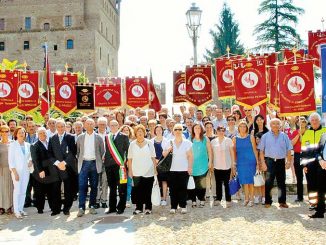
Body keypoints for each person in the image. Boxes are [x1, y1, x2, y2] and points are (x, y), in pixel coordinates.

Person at [258, 118, 292, 208]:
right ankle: (268, 201)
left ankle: (282, 202)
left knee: (281, 182)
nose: (276, 125)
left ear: (280, 125)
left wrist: (288, 161)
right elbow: (261, 151)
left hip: (281, 161)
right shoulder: (265, 136)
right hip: (269, 161)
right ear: (270, 125)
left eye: (278, 123)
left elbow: (289, 150)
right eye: (274, 123)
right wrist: (263, 163)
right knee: (269, 182)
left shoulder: (284, 136)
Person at [48, 119, 78, 216]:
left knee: (68, 189)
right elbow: (49, 153)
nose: (60, 128)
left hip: (67, 167)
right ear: (56, 127)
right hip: (56, 168)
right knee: (55, 189)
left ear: (65, 127)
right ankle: (56, 209)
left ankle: (66, 208)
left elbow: (73, 152)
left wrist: (64, 163)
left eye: (62, 126)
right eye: (58, 127)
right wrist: (57, 163)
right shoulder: (52, 138)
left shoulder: (71, 137)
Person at [76, 119, 105, 217]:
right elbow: (78, 152)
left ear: (94, 125)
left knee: (94, 186)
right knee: (82, 186)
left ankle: (92, 205)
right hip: (83, 164)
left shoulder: (99, 138)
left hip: (94, 164)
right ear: (84, 125)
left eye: (91, 123)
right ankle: (81, 208)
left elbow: (102, 151)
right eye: (87, 123)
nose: (89, 125)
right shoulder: (80, 137)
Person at [163, 124, 193, 214]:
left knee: (183, 188)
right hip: (172, 169)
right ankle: (173, 206)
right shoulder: (169, 142)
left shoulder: (187, 142)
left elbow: (190, 156)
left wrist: (190, 167)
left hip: (184, 169)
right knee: (173, 189)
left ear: (182, 130)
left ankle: (183, 206)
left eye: (180, 129)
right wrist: (169, 149)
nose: (178, 131)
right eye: (176, 129)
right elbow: (164, 154)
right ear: (173, 131)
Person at [31, 127, 61, 215]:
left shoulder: (50, 143)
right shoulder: (34, 145)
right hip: (41, 171)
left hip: (52, 171)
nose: (43, 135)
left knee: (52, 190)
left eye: (44, 133)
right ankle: (40, 208)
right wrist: (40, 170)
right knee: (40, 191)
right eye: (40, 133)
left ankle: (54, 208)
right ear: (37, 134)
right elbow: (35, 160)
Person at [128, 125, 157, 215]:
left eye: (141, 131)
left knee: (148, 190)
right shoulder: (132, 144)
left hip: (149, 170)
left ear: (144, 133)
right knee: (137, 190)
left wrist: (155, 170)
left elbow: (153, 157)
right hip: (136, 171)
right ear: (135, 133)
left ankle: (148, 208)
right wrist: (130, 171)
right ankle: (138, 208)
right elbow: (129, 159)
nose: (140, 133)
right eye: (138, 131)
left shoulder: (149, 143)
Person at [300, 113, 326, 210]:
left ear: (319, 121)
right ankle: (313, 203)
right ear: (310, 122)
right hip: (310, 163)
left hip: (322, 162)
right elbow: (303, 150)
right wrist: (304, 165)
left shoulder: (325, 131)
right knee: (311, 183)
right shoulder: (306, 133)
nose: (314, 122)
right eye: (312, 120)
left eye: (316, 120)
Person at [104, 120, 130, 215]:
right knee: (112, 187)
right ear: (109, 126)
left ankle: (121, 207)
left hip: (120, 166)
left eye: (115, 125)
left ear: (118, 126)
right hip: (109, 166)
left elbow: (128, 151)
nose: (113, 126)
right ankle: (112, 207)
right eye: (111, 125)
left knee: (122, 187)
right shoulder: (107, 137)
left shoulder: (124, 136)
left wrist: (126, 163)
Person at [234, 121, 259, 207]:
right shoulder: (235, 138)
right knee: (244, 181)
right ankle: (246, 198)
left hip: (251, 161)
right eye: (241, 126)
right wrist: (234, 163)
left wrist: (258, 162)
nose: (243, 128)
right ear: (238, 128)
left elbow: (255, 150)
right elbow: (234, 152)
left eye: (244, 126)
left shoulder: (251, 137)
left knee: (251, 181)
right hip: (241, 162)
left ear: (247, 128)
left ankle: (252, 199)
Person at [8, 127, 32, 219]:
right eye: (19, 133)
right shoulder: (13, 145)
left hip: (26, 171)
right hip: (16, 171)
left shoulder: (28, 145)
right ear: (16, 134)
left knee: (23, 191)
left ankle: (21, 209)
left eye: (23, 132)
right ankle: (16, 211)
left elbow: (30, 157)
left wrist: (31, 161)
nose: (22, 134)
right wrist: (14, 172)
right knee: (17, 190)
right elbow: (11, 160)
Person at [189, 123, 212, 208]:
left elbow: (209, 151)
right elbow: (187, 153)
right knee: (193, 184)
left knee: (201, 184)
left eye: (199, 128)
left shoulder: (205, 139)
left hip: (203, 165)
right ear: (193, 130)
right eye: (196, 128)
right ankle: (193, 200)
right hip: (193, 165)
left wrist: (210, 162)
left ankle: (202, 199)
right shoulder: (190, 139)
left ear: (201, 130)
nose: (197, 130)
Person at [211, 126, 235, 207]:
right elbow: (212, 154)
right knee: (218, 183)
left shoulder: (228, 140)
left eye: (223, 130)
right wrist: (211, 163)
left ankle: (228, 200)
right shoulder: (213, 141)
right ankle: (218, 199)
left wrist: (233, 164)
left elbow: (232, 153)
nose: (221, 132)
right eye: (219, 130)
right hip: (217, 166)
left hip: (227, 166)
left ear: (224, 131)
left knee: (227, 184)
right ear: (216, 131)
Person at [252, 114, 269, 204]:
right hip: (255, 156)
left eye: (260, 119)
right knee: (256, 178)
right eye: (257, 119)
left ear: (263, 120)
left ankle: (264, 196)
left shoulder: (267, 131)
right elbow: (253, 145)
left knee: (264, 178)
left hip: (265, 157)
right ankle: (257, 196)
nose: (259, 121)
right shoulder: (253, 131)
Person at [151, 124, 169, 206]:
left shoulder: (166, 141)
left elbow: (167, 153)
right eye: (157, 130)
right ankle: (157, 198)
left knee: (164, 181)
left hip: (163, 164)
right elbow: (150, 153)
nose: (158, 131)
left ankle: (164, 199)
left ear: (162, 131)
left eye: (160, 130)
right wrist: (155, 160)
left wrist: (160, 160)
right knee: (156, 181)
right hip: (153, 163)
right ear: (155, 131)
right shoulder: (151, 141)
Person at [310, 130, 326, 218]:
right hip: (322, 166)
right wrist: (320, 160)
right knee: (321, 190)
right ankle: (320, 212)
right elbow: (317, 152)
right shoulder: (323, 136)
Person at [95, 117, 109, 209]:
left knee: (105, 181)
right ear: (97, 124)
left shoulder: (109, 135)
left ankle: (104, 200)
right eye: (100, 124)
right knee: (96, 182)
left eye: (104, 124)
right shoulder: (93, 135)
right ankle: (96, 201)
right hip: (96, 161)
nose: (102, 126)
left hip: (107, 162)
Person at [120, 125, 135, 207]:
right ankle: (122, 199)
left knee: (129, 183)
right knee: (122, 183)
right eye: (124, 130)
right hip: (121, 165)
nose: (125, 132)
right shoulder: (118, 140)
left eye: (127, 130)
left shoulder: (132, 142)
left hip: (130, 164)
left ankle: (128, 200)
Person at [0, 125, 13, 215]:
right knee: (1, 188)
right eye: (3, 131)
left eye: (6, 131)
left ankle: (9, 206)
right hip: (1, 169)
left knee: (10, 187)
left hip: (11, 169)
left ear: (9, 132)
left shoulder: (13, 143)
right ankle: (1, 207)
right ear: (0, 132)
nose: (5, 133)